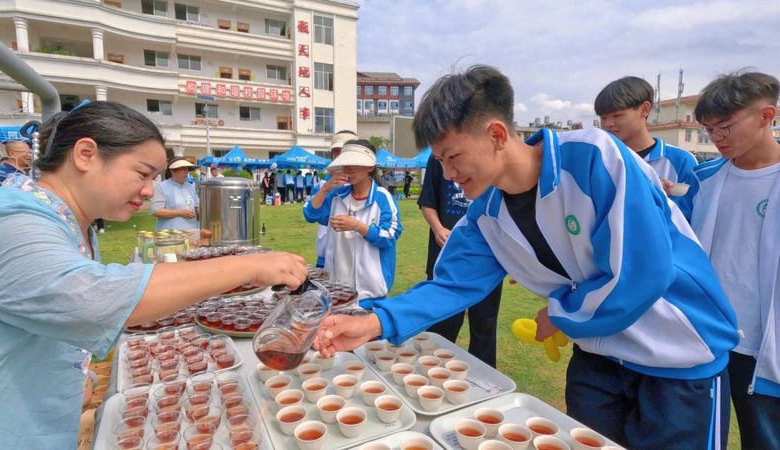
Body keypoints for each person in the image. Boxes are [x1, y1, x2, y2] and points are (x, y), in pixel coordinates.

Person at [314, 66, 738, 450]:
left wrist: (560, 314)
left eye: (453, 157)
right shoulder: (485, 217)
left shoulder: (593, 157)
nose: (448, 175)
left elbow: (642, 273)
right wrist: (373, 322)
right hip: (599, 357)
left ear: (497, 135)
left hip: (680, 354)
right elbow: (450, 285)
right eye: (439, 162)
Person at [0, 101, 307, 448]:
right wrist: (247, 265)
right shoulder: (10, 222)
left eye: (155, 178)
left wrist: (76, 372)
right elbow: (95, 298)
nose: (150, 190)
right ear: (86, 154)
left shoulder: (73, 224)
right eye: (142, 173)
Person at [687, 71, 780, 450]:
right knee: (703, 438)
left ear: (766, 115)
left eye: (725, 126)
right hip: (712, 340)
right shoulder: (703, 181)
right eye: (709, 129)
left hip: (766, 347)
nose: (717, 137)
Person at [419, 154, 502, 367]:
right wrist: (438, 228)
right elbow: (427, 202)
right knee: (442, 321)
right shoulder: (437, 158)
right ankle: (432, 371)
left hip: (486, 260)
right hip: (446, 258)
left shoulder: (488, 156)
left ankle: (485, 382)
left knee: (484, 325)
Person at [303, 139, 402, 307]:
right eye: (346, 164)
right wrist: (326, 188)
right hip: (336, 289)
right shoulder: (336, 195)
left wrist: (358, 226)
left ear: (370, 167)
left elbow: (390, 236)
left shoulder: (382, 198)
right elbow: (311, 215)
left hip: (370, 292)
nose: (348, 170)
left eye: (355, 164)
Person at [595, 76, 698, 218]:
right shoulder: (601, 160)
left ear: (644, 109)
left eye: (617, 115)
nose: (608, 124)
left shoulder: (681, 161)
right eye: (603, 118)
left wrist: (658, 196)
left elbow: (689, 217)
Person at [308, 130, 359, 267]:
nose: (339, 156)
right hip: (326, 257)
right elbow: (310, 215)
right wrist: (326, 189)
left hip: (357, 258)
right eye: (336, 151)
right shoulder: (323, 184)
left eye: (343, 151)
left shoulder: (366, 186)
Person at [151, 157, 199, 231]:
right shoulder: (162, 187)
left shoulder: (190, 187)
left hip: (192, 232)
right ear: (172, 171)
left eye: (187, 169)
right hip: (171, 234)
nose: (186, 172)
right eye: (183, 169)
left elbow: (197, 206)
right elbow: (156, 211)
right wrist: (180, 213)